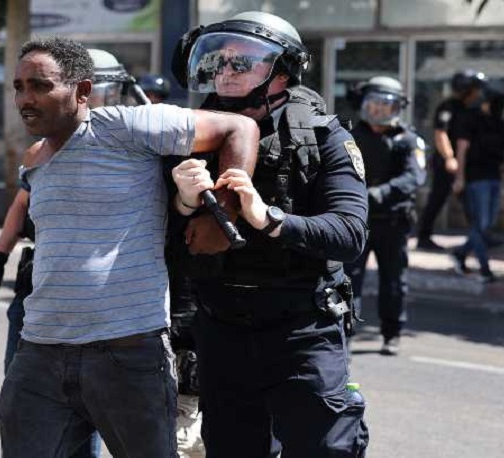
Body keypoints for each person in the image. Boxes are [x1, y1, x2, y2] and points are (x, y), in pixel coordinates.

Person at [0, 36, 259, 457]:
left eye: (41, 86)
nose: (26, 99)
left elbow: (239, 128)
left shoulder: (127, 126)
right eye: (19, 86)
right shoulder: (34, 158)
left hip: (127, 353)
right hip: (40, 353)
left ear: (82, 91)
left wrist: (220, 215)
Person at [169, 11, 369, 457]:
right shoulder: (186, 135)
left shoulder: (322, 137)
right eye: (219, 61)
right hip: (220, 325)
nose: (226, 71)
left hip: (301, 325)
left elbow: (350, 233)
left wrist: (270, 219)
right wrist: (182, 202)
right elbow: (155, 243)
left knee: (324, 447)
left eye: (242, 62)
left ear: (283, 71)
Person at [0, 47, 141, 458]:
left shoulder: (133, 149)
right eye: (20, 87)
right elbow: (21, 204)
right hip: (38, 301)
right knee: (31, 410)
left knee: (93, 415)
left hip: (107, 314)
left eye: (104, 93)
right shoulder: (43, 151)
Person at [343, 76, 427, 356]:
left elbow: (414, 177)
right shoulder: (350, 137)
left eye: (385, 105)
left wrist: (380, 193)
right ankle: (345, 334)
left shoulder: (408, 140)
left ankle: (392, 334)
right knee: (348, 281)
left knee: (393, 281)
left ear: (396, 107)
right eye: (374, 104)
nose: (378, 110)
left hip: (393, 221)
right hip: (357, 221)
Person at [450, 79, 504, 283]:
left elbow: (502, 150)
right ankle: (485, 268)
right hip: (475, 178)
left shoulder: (498, 121)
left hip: (493, 175)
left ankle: (460, 253)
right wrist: (459, 178)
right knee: (480, 224)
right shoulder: (469, 117)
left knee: (487, 223)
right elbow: (462, 150)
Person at [416, 69, 486, 251]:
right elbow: (440, 133)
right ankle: (423, 237)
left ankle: (480, 236)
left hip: (464, 163)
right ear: (466, 89)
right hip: (447, 164)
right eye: (475, 89)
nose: (478, 93)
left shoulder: (468, 109)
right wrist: (449, 158)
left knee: (469, 200)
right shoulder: (447, 107)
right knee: (438, 199)